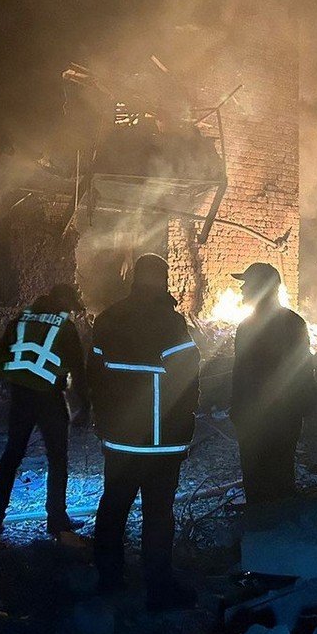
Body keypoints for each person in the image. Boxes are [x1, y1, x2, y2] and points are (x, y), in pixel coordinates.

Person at [89, 254, 200, 610]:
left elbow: (94, 375)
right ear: (163, 280)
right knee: (158, 515)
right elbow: (187, 378)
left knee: (112, 507)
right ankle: (158, 588)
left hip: (119, 439)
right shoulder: (168, 323)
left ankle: (108, 579)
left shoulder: (107, 319)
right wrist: (184, 428)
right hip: (159, 442)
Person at [0, 283, 90, 540]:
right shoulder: (65, 327)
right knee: (57, 460)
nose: (72, 312)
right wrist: (85, 407)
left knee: (11, 456)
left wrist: (17, 379)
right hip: (50, 399)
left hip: (20, 397)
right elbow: (78, 370)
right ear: (64, 302)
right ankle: (57, 520)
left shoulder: (21, 319)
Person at [230, 262, 316, 506]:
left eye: (247, 285)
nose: (242, 290)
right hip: (283, 418)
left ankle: (265, 532)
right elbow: (303, 370)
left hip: (262, 419)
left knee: (260, 483)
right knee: (279, 478)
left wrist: (238, 411)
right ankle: (279, 531)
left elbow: (244, 375)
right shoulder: (294, 323)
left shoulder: (248, 327)